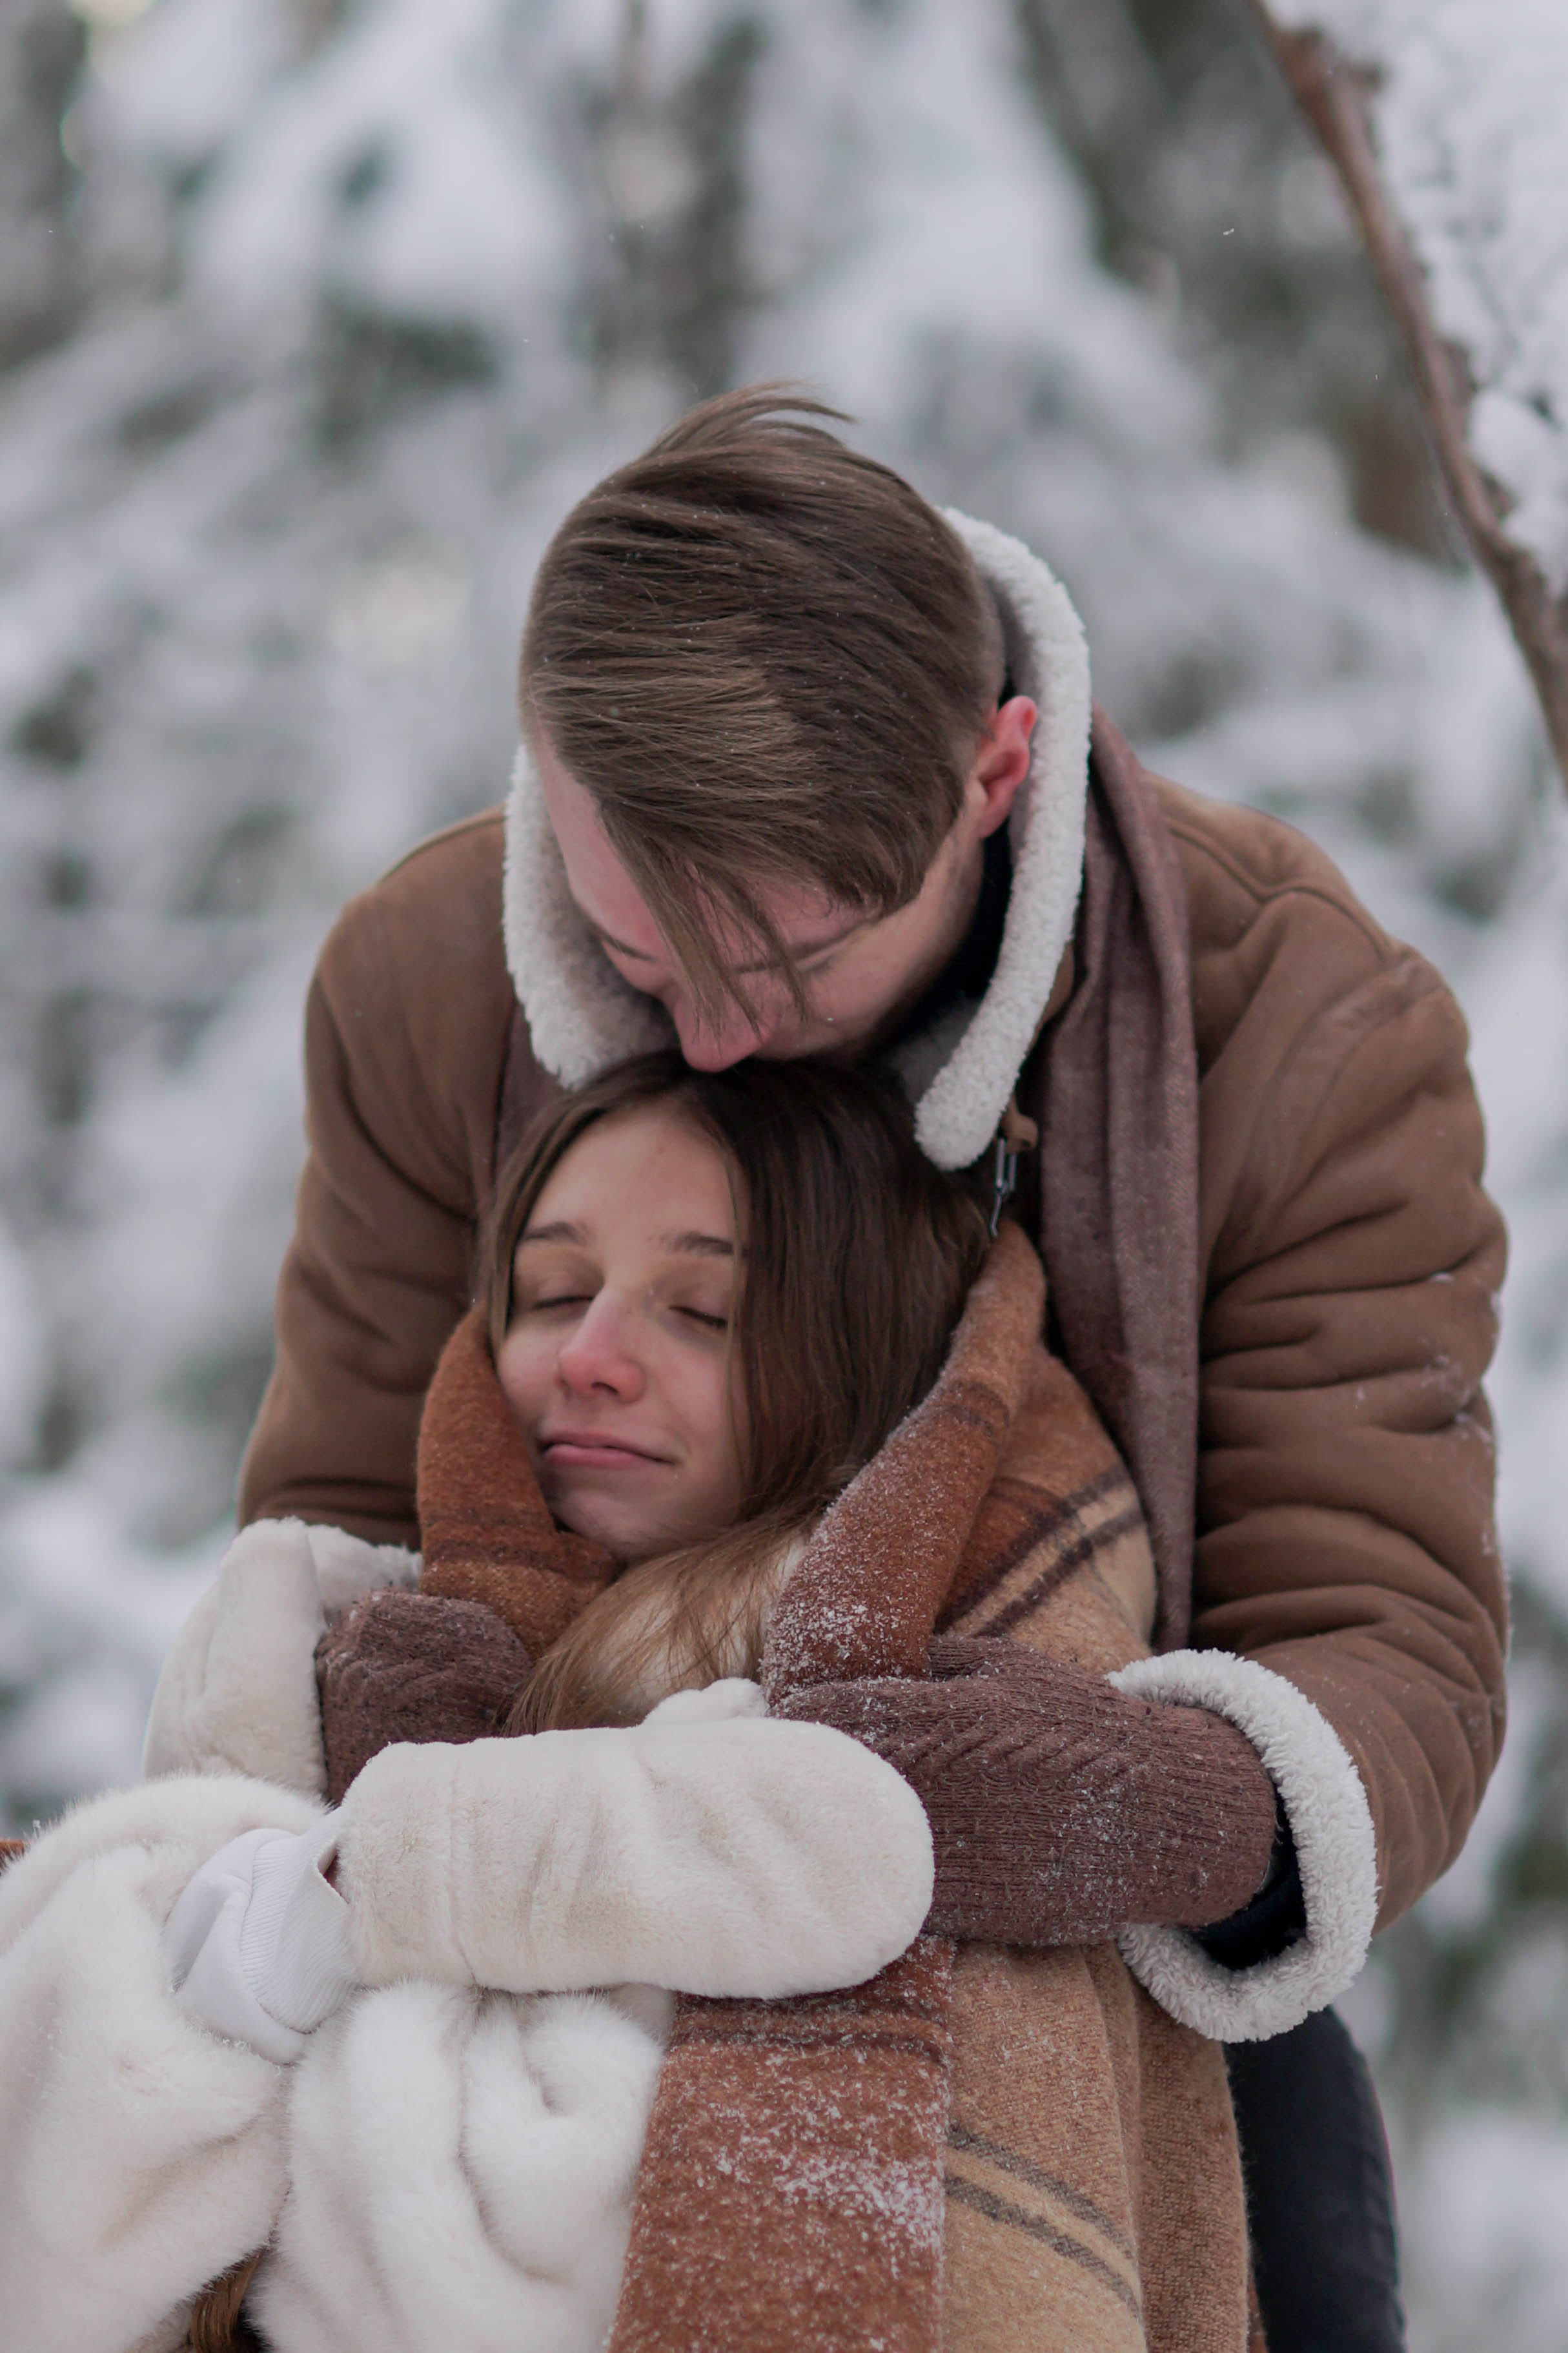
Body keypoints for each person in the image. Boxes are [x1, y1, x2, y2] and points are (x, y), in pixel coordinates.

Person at [234, 387, 1503, 2346]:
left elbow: (1383, 1628)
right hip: (519, 1874)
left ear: (995, 773)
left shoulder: (1292, 1032)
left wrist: (1144, 1798)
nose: (719, 1046)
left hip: (1115, 1967)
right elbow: (325, 1506)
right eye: (641, 960)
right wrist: (388, 1669)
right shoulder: (428, 978)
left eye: (792, 967)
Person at [3, 1054, 1274, 2350]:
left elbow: (537, 2261)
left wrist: (360, 1901)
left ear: (854, 1360)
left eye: (705, 1312)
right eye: (553, 1290)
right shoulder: (318, 1640)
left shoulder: (961, 1726)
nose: (593, 1357)